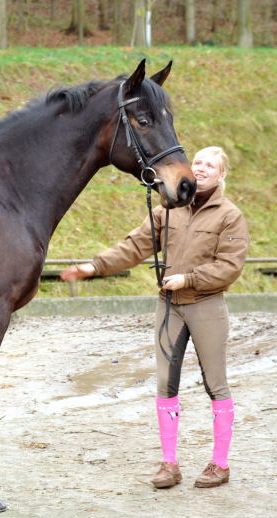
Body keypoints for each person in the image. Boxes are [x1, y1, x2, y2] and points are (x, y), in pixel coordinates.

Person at [61, 146, 249, 489]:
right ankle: (169, 464)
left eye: (211, 165)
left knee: (216, 384)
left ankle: (220, 464)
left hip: (206, 305)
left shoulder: (229, 216)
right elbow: (135, 245)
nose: (202, 168)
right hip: (169, 308)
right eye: (198, 162)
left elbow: (229, 267)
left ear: (222, 175)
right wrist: (94, 266)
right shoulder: (169, 208)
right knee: (165, 383)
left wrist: (189, 279)